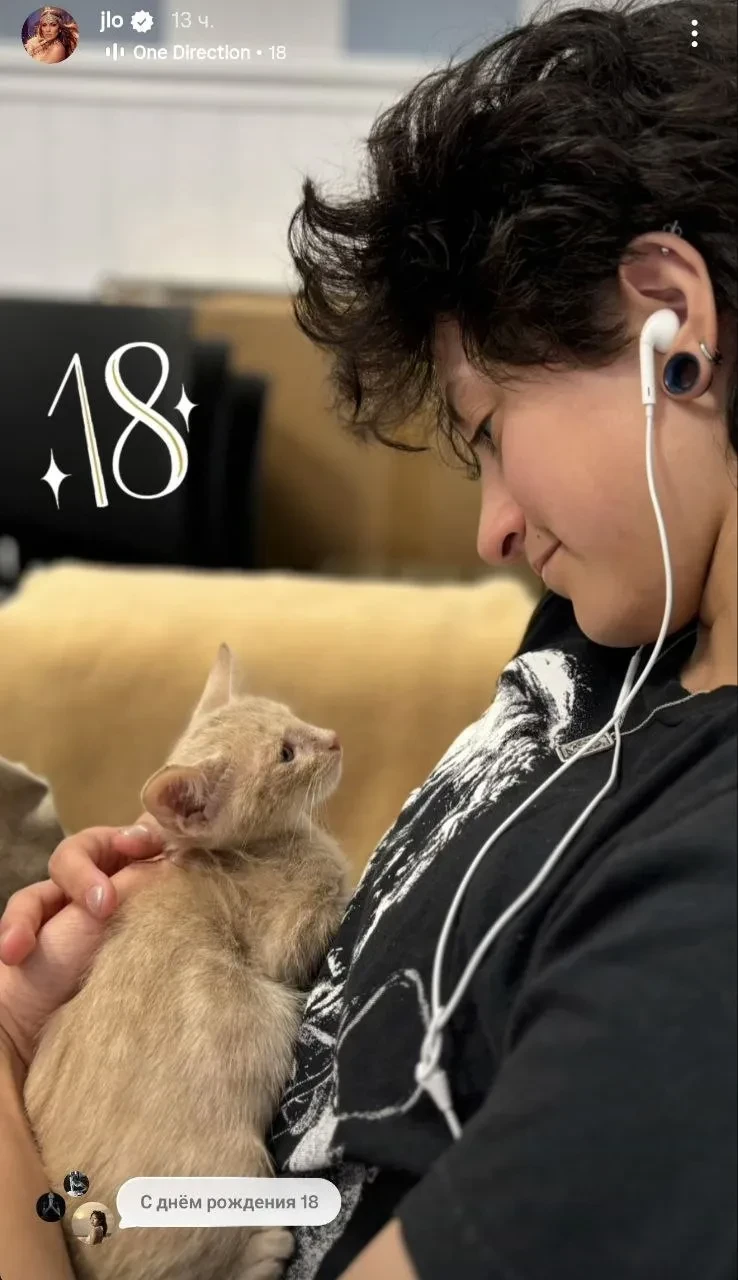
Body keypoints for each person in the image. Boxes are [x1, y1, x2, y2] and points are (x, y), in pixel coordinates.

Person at [0, 0, 736, 1277]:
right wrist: (73, 1025)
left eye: (488, 427)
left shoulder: (701, 935)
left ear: (672, 326)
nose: (493, 530)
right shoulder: (618, 632)